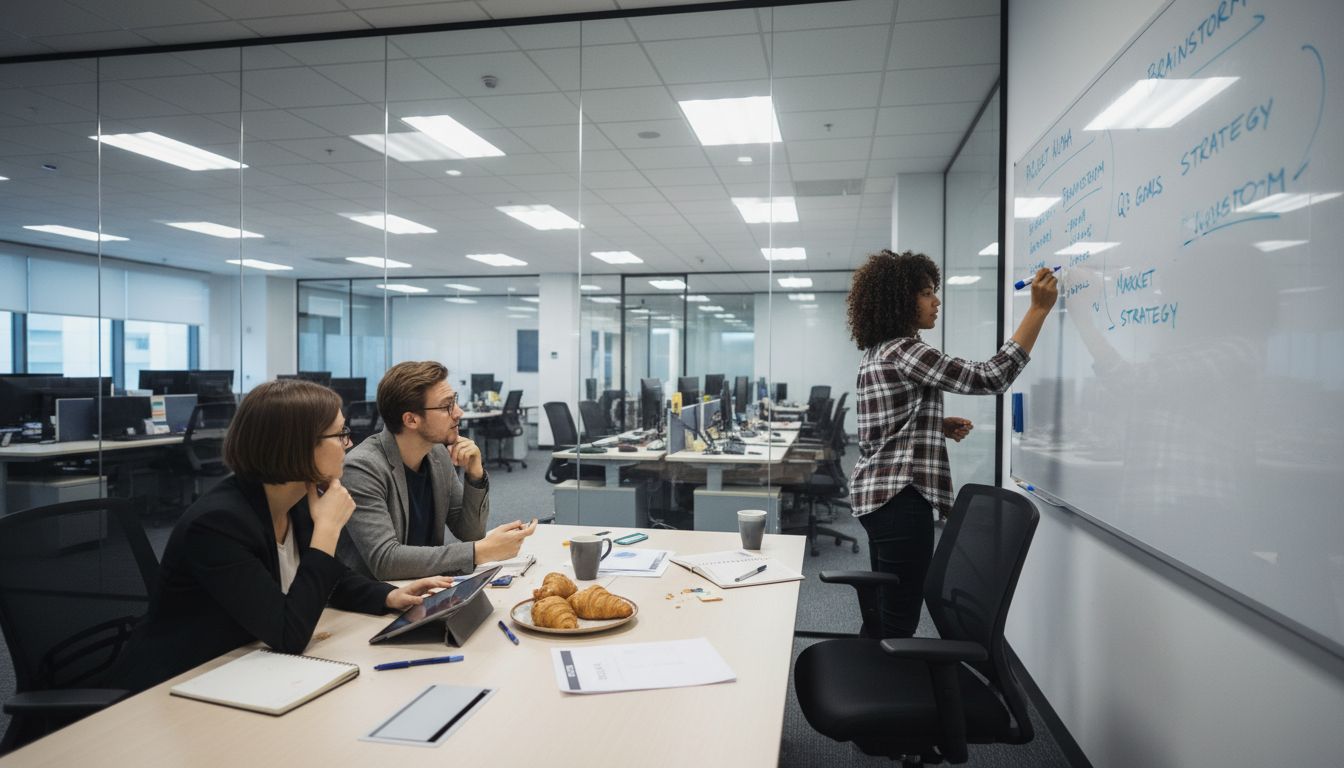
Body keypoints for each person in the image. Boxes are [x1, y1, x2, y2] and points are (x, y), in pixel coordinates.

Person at [116, 379, 451, 692]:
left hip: (247, 665)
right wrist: (328, 530)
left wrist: (387, 597)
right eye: (340, 435)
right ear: (299, 447)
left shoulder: (294, 499)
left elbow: (333, 578)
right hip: (181, 682)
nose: (349, 445)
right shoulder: (218, 524)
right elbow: (289, 635)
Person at [846, 250, 1057, 639]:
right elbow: (990, 377)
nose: (936, 301)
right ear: (900, 298)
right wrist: (1038, 311)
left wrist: (933, 424)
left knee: (882, 611)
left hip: (875, 496)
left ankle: (871, 674)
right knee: (898, 622)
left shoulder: (877, 353)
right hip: (901, 500)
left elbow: (879, 429)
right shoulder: (908, 350)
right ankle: (885, 689)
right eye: (926, 293)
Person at [338, 361, 536, 580]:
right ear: (411, 419)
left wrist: (475, 475)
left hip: (426, 588)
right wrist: (479, 551)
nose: (458, 413)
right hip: (376, 604)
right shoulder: (362, 467)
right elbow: (386, 560)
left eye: (455, 402)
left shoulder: (437, 455)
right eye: (446, 406)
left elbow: (470, 532)